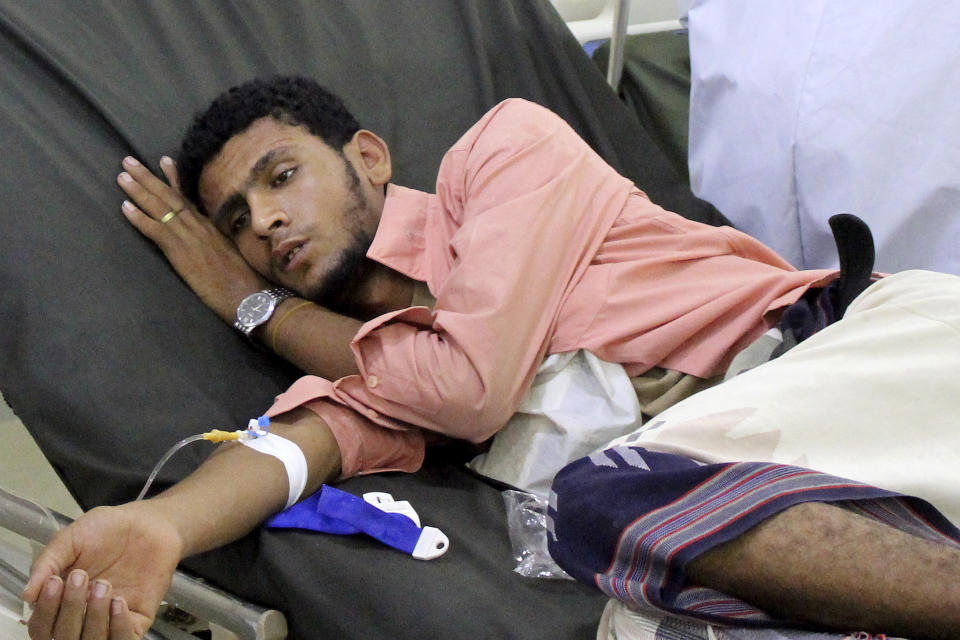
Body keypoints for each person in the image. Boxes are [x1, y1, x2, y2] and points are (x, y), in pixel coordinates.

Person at [19, 76, 960, 640]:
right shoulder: (380, 373)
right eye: (237, 225)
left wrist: (249, 304)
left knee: (602, 499)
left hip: (855, 351)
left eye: (281, 176)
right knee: (627, 531)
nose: (265, 221)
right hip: (785, 488)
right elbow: (290, 451)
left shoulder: (504, 156)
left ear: (371, 157)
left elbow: (474, 386)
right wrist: (159, 532)